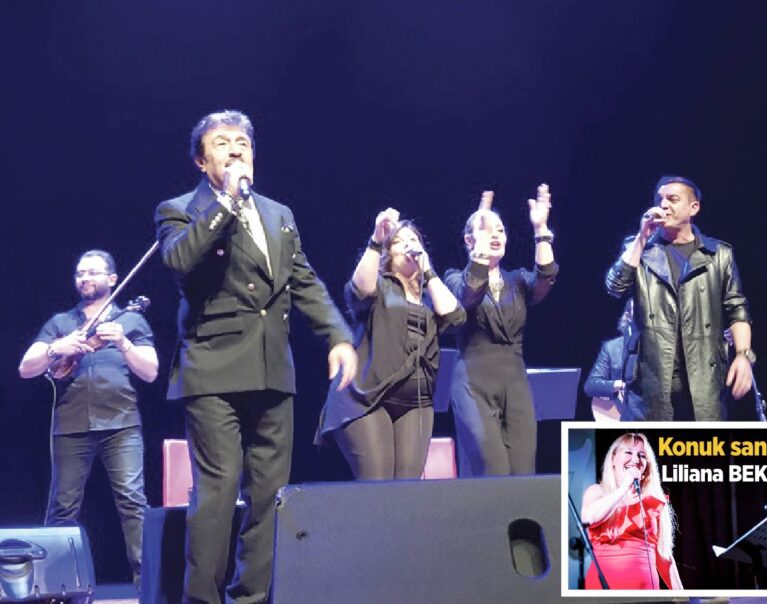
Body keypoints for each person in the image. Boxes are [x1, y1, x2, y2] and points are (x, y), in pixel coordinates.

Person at [155, 110, 357, 604]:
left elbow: (302, 280)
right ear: (202, 161)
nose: (235, 149)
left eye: (242, 142)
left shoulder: (278, 213)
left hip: (272, 369)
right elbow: (180, 259)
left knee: (270, 494)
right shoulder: (179, 209)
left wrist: (338, 335)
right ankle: (202, 599)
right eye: (222, 142)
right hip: (213, 369)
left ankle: (251, 597)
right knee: (219, 492)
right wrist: (226, 200)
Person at [18, 250, 159, 588]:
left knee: (133, 503)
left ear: (112, 279)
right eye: (80, 273)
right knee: (62, 507)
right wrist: (57, 348)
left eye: (92, 273)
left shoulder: (130, 321)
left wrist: (123, 343)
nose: (84, 278)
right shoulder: (61, 323)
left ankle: (148, 586)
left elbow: (151, 372)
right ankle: (53, 587)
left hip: (122, 424)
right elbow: (26, 368)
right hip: (70, 425)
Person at [317, 212, 465, 479]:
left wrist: (429, 271)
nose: (409, 244)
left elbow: (455, 316)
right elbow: (360, 289)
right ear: (389, 254)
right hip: (366, 398)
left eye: (414, 240)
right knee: (378, 483)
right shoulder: (381, 286)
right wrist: (376, 239)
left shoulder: (431, 296)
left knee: (406, 490)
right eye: (398, 241)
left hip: (415, 402)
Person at [605, 176, 753, 421]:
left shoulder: (718, 254)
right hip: (651, 381)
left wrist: (743, 355)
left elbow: (737, 308)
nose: (663, 205)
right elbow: (615, 287)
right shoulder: (639, 248)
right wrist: (642, 238)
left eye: (672, 199)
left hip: (704, 380)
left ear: (693, 208)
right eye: (659, 200)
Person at [443, 185, 557, 476]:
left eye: (501, 230)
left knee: (523, 471)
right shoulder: (453, 278)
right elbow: (469, 293)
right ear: (468, 240)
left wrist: (540, 229)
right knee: (493, 468)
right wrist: (480, 253)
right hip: (473, 384)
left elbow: (545, 279)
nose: (495, 235)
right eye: (486, 230)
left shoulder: (517, 280)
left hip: (515, 383)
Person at [581, 432, 682, 590]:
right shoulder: (597, 492)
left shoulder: (653, 502)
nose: (635, 460)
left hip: (645, 591)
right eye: (628, 452)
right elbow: (589, 518)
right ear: (613, 459)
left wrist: (681, 595)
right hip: (603, 589)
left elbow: (664, 556)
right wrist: (624, 488)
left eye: (641, 455)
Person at [583, 301, 643, 421]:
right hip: (623, 417)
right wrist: (618, 385)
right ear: (628, 316)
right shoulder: (612, 347)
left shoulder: (660, 348)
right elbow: (590, 386)